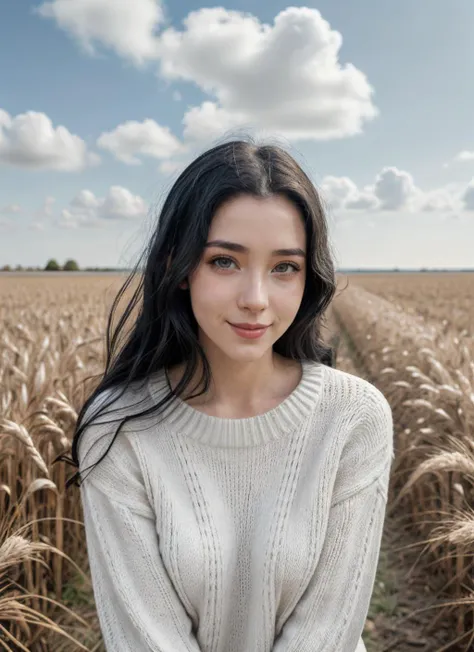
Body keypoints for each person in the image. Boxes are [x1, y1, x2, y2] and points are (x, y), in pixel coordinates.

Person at [63, 138, 394, 651]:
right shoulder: (118, 427)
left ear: (309, 279)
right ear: (178, 266)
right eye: (224, 262)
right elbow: (146, 640)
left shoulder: (354, 417)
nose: (256, 300)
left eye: (285, 267)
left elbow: (327, 633)